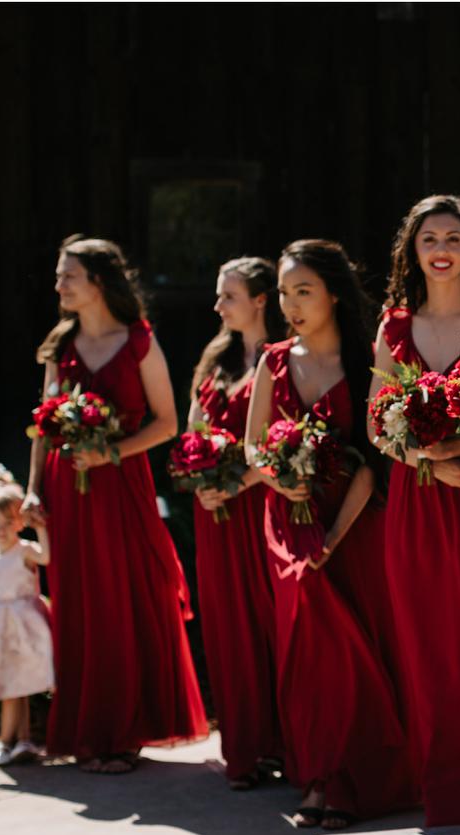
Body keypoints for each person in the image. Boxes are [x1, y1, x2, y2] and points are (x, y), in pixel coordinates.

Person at [243, 239, 415, 829]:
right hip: (288, 521)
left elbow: (373, 459)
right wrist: (279, 478)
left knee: (356, 648)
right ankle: (317, 775)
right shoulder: (271, 361)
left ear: (333, 294)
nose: (290, 305)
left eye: (303, 291)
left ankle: (352, 780)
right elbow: (253, 447)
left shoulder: (366, 359)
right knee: (307, 649)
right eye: (284, 293)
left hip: (356, 521)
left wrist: (334, 537)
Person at [23, 235, 208, 774]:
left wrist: (110, 453)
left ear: (98, 282)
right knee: (78, 602)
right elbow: (43, 425)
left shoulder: (139, 340)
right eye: (59, 275)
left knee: (123, 598)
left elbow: (166, 424)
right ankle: (88, 731)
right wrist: (34, 488)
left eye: (69, 275)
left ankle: (126, 732)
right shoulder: (62, 344)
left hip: (121, 485)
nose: (58, 285)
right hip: (67, 488)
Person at [369, 195, 460, 826]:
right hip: (418, 500)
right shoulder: (394, 325)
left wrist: (457, 451)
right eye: (429, 239)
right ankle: (442, 787)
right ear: (413, 250)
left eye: (453, 238)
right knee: (428, 641)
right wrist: (428, 459)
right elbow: (376, 426)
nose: (441, 250)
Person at [186, 257, 288, 790]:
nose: (217, 306)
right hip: (217, 513)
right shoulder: (215, 359)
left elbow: (284, 436)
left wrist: (240, 483)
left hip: (263, 501)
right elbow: (193, 431)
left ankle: (288, 744)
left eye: (229, 296)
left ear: (259, 300)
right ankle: (245, 750)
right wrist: (199, 476)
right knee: (230, 627)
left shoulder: (282, 356)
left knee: (274, 622)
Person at [0, 476, 53, 767]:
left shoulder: (25, 550)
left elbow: (46, 557)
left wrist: (40, 528)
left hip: (23, 625)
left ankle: (5, 741)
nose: (1, 529)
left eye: (8, 522)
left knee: (17, 685)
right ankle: (20, 739)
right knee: (13, 683)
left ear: (19, 522)